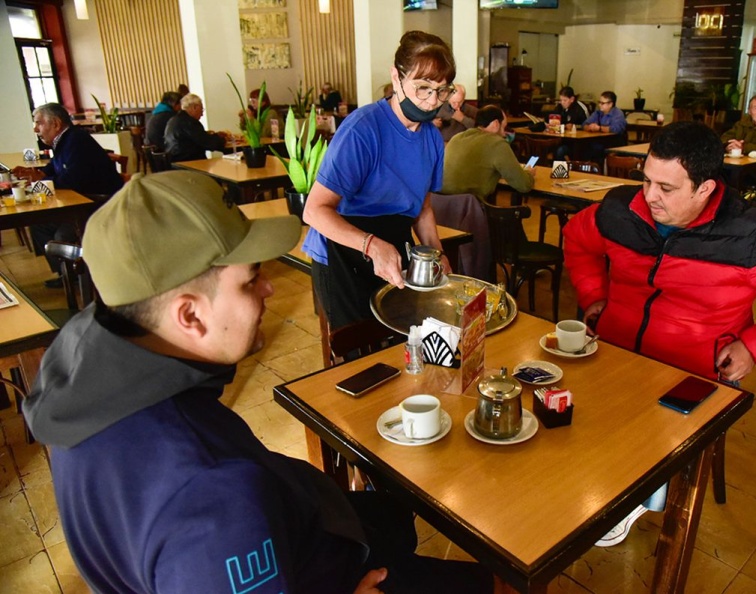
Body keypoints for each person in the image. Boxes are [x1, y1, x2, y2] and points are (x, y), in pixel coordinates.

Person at [24, 170, 496, 594]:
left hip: (299, 525)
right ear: (189, 315)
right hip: (322, 568)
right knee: (492, 582)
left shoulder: (86, 373)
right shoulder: (211, 499)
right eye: (251, 280)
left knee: (389, 513)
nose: (270, 287)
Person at [563, 121, 756, 546]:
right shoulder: (619, 211)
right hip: (615, 356)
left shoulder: (749, 234)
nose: (649, 196)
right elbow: (577, 240)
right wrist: (594, 295)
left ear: (704, 188)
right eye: (646, 180)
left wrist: (754, 347)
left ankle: (636, 502)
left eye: (666, 188)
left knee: (648, 449)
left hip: (691, 374)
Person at [302, 31, 456, 329]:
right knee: (361, 346)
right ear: (396, 78)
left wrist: (438, 254)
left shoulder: (432, 139)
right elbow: (314, 211)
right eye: (423, 88)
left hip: (393, 243)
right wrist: (372, 246)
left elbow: (423, 209)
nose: (431, 102)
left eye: (441, 91)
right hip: (344, 250)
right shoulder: (363, 130)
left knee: (404, 338)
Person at [11, 102, 124, 287]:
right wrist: (38, 174)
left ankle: (80, 277)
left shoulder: (76, 140)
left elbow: (73, 179)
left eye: (39, 123)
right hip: (83, 199)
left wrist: (44, 179)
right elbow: (55, 166)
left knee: (62, 234)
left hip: (99, 204)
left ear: (56, 123)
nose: (35, 129)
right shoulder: (64, 140)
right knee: (39, 225)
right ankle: (66, 275)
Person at [442, 105, 534, 201]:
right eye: (503, 128)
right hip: (467, 205)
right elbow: (524, 185)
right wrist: (529, 173)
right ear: (496, 124)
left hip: (438, 203)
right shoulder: (497, 143)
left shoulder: (456, 137)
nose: (504, 134)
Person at [164, 93, 228, 162]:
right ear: (195, 107)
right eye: (201, 109)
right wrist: (223, 139)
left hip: (175, 161)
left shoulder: (174, 119)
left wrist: (211, 135)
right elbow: (209, 143)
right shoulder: (189, 122)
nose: (202, 114)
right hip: (188, 162)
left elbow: (195, 138)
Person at [582, 90, 628, 159]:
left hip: (614, 142)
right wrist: (589, 127)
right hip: (599, 140)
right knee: (583, 146)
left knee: (595, 148)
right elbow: (584, 124)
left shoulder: (618, 114)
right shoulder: (598, 113)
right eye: (599, 102)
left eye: (602, 103)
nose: (599, 105)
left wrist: (599, 128)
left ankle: (597, 165)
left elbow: (616, 129)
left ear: (610, 104)